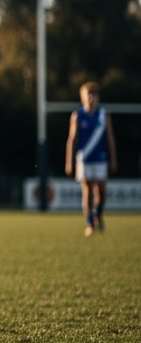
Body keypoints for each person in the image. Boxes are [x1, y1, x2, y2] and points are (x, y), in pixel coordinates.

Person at [65, 82, 118, 236]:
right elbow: (71, 139)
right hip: (84, 158)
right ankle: (89, 223)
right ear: (82, 98)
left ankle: (99, 215)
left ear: (97, 98)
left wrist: (113, 159)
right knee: (87, 190)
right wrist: (69, 161)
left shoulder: (104, 115)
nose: (90, 98)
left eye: (93, 95)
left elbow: (111, 138)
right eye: (87, 95)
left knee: (101, 189)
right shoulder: (77, 115)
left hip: (101, 158)